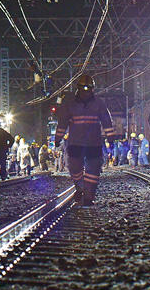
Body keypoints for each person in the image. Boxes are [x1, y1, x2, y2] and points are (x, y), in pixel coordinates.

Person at [55, 74, 116, 206]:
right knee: (74, 168)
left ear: (93, 89)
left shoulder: (99, 103)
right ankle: (80, 187)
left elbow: (107, 121)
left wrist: (110, 137)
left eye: (89, 89)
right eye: (84, 88)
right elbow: (62, 122)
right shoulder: (70, 104)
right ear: (78, 88)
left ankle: (88, 196)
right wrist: (57, 138)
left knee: (93, 171)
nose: (86, 91)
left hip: (93, 143)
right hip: (76, 143)